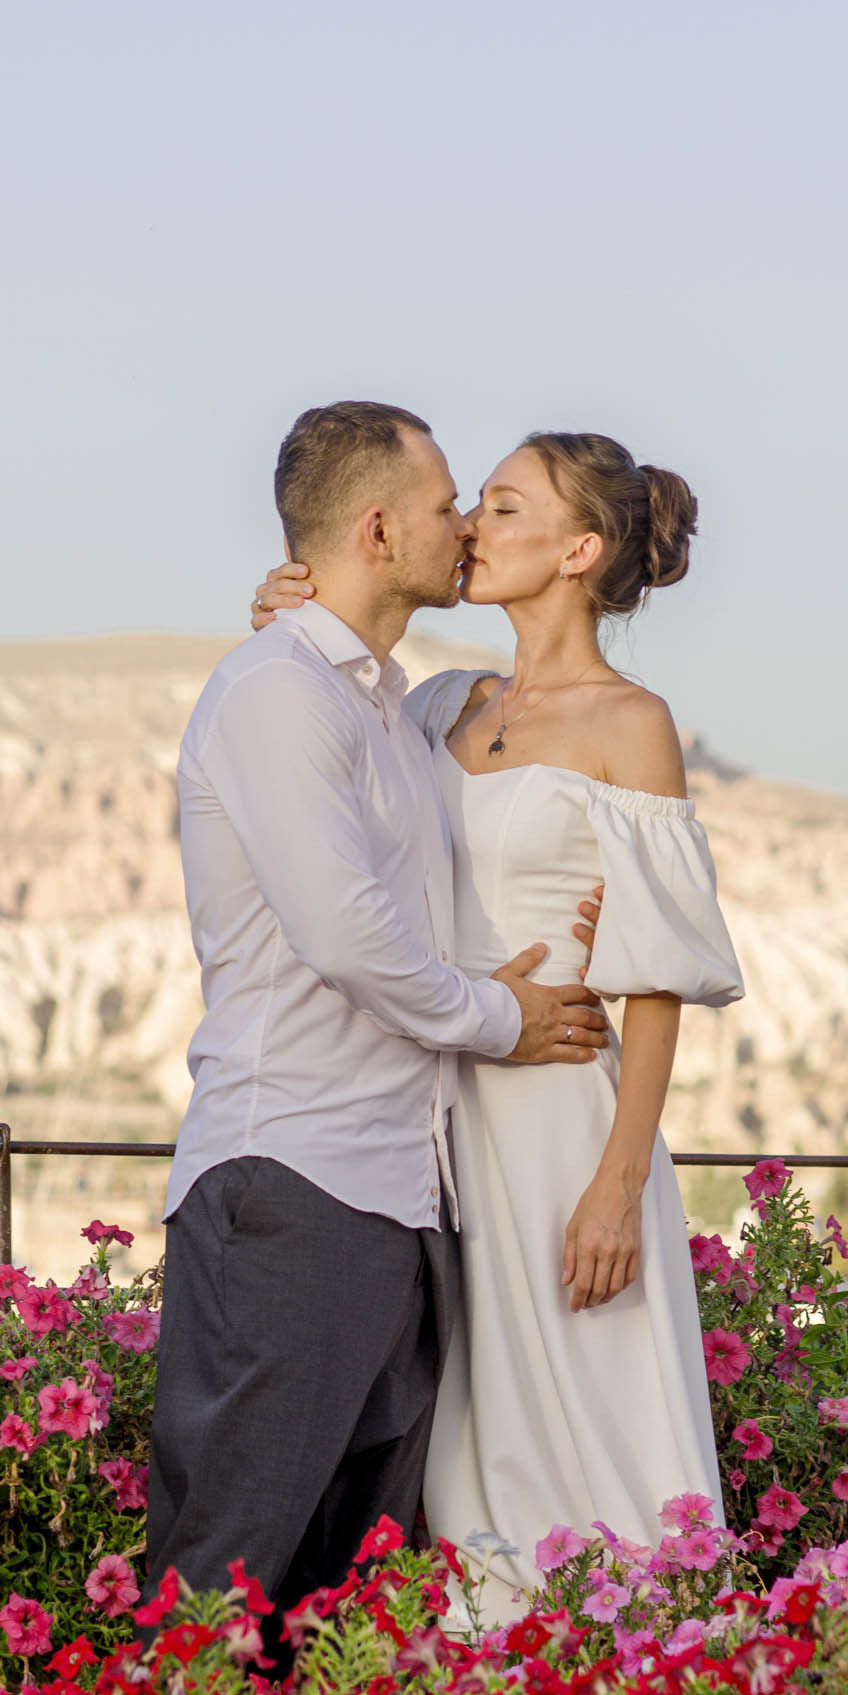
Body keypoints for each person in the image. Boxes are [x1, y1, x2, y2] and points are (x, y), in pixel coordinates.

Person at [249, 428, 743, 1611]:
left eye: (505, 509)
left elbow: (653, 981)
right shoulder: (436, 704)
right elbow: (322, 750)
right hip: (432, 1112)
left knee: (598, 1413)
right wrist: (280, 625)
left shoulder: (632, 725)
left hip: (563, 1121)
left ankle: (651, 1677)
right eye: (472, 503)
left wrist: (617, 1183)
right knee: (470, 1436)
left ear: (579, 549)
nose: (471, 525)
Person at [145, 401, 612, 1621]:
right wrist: (502, 1022)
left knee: (346, 1589)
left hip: (396, 1196)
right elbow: (347, 935)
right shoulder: (276, 695)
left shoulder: (387, 709)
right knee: (228, 1572)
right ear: (375, 526)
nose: (462, 523)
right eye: (449, 499)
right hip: (293, 1179)